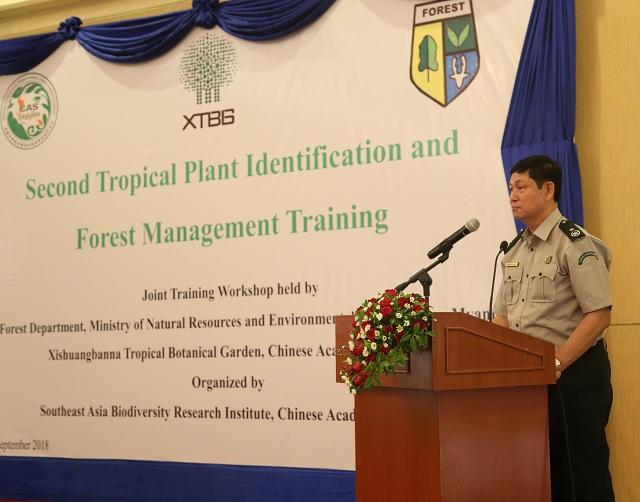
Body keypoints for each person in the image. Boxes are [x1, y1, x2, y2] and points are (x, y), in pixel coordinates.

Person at [493, 155, 615, 502]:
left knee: (581, 479)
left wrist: (556, 363)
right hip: (528, 381)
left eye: (521, 187)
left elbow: (599, 314)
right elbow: (502, 318)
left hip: (573, 377)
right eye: (511, 188)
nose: (513, 196)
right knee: (543, 480)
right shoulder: (513, 251)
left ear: (548, 190)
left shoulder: (574, 242)